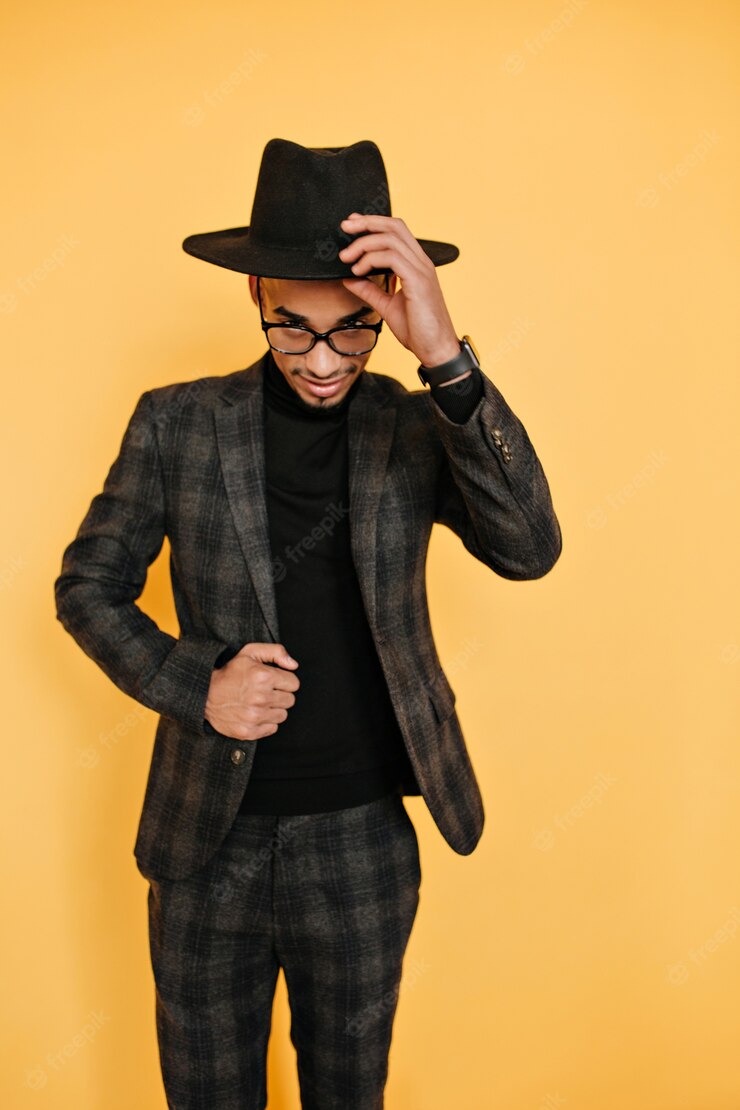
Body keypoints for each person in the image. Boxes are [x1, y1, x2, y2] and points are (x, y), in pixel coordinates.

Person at [54, 138, 562, 1109]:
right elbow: (87, 585)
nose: (323, 360)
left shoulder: (412, 425)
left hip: (360, 845)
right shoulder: (176, 423)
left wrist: (443, 358)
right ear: (253, 291)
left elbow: (530, 546)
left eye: (351, 332)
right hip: (207, 844)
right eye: (294, 329)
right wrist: (194, 682)